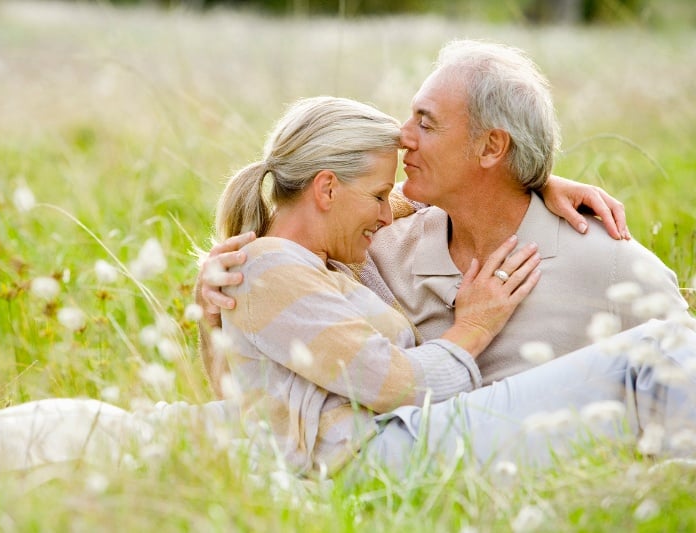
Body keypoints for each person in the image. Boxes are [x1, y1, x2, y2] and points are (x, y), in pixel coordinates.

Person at [201, 95, 696, 478]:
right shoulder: (269, 267)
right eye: (376, 195)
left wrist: (535, 181)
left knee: (649, 368)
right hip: (381, 456)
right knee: (658, 352)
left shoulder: (309, 258)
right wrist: (475, 326)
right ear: (327, 189)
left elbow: (420, 198)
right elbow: (395, 386)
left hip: (392, 447)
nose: (384, 212)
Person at [198, 39, 689, 386]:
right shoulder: (375, 245)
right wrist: (214, 309)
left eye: (426, 123)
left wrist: (536, 180)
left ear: (492, 147)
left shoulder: (612, 267)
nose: (402, 135)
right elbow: (267, 385)